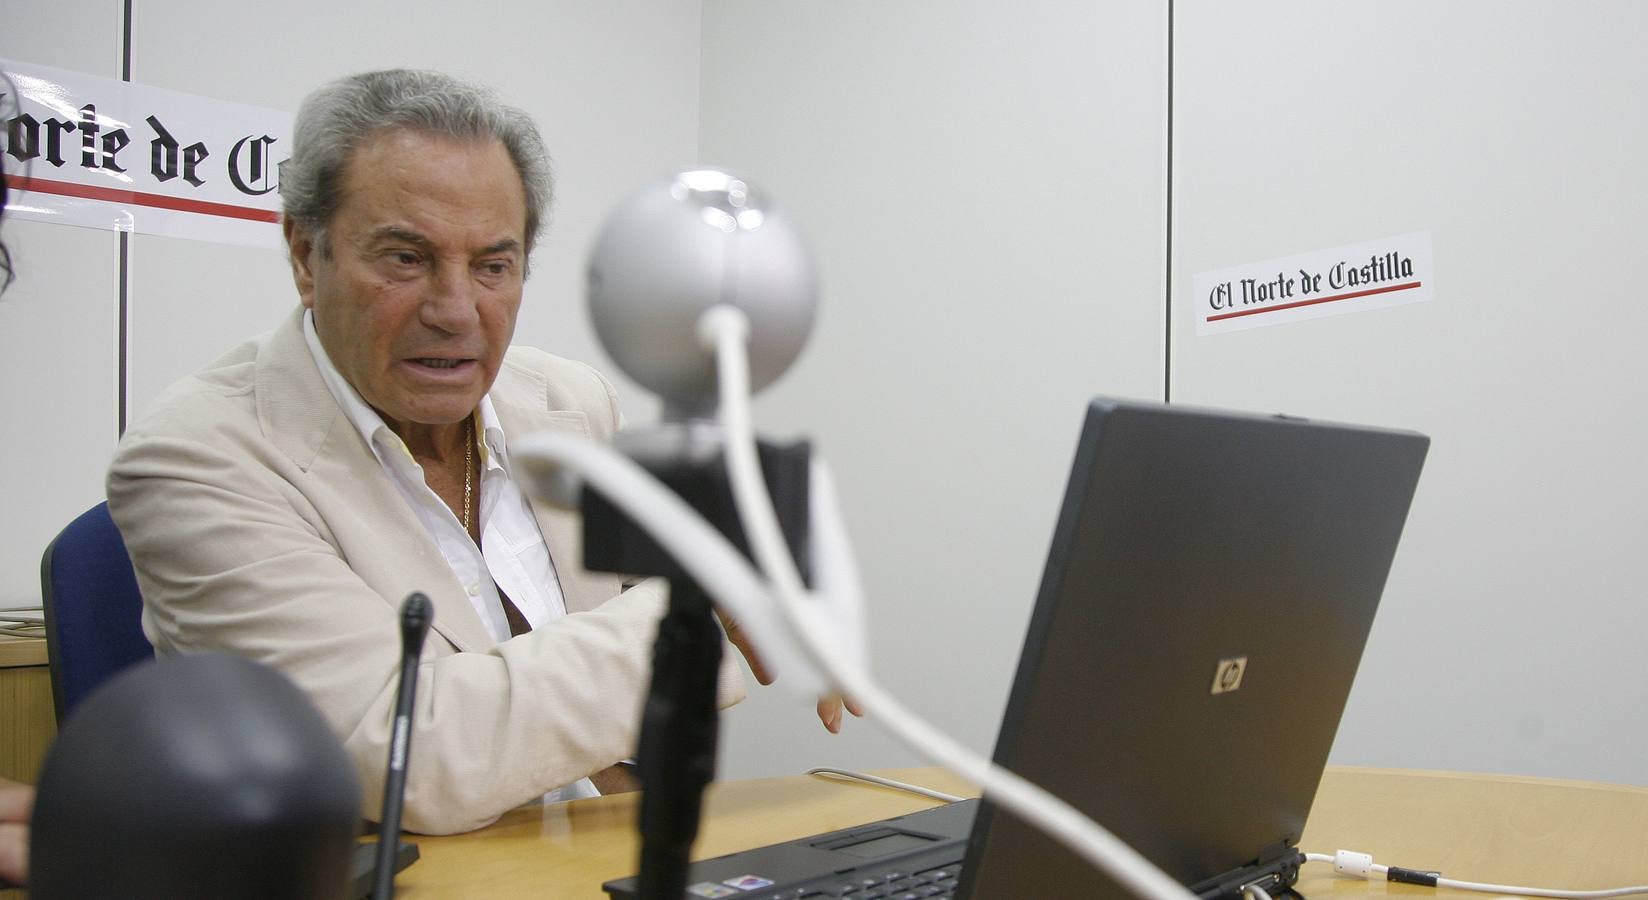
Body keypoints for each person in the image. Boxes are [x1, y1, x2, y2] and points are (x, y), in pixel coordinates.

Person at [106, 69, 841, 836]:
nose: (457, 311)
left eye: (493, 266)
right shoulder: (197, 455)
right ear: (304, 255)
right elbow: (407, 762)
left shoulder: (572, 404)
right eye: (405, 258)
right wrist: (692, 606)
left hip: (592, 856)